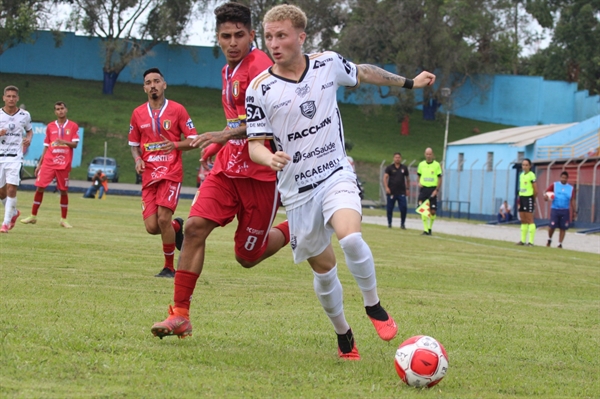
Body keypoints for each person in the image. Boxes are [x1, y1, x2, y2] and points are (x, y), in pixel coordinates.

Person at [245, 4, 435, 359]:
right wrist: (269, 158)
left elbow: (363, 72)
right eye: (269, 36)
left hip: (335, 174)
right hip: (297, 192)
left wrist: (410, 82)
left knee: (351, 237)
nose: (274, 43)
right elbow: (255, 144)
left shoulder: (327, 63)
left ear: (301, 37)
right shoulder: (260, 89)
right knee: (325, 270)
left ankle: (373, 304)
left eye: (282, 35)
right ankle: (343, 333)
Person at [150, 3, 290, 339]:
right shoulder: (227, 70)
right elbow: (236, 120)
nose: (232, 43)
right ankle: (180, 314)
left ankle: (298, 226)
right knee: (195, 227)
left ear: (252, 35)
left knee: (247, 256)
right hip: (228, 169)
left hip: (262, 175)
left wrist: (223, 135)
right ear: (217, 37)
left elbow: (266, 122)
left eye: (239, 36)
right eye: (225, 36)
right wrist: (217, 143)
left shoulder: (262, 69)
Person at [129, 67, 198, 278]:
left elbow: (193, 140)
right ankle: (176, 226)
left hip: (171, 172)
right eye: (148, 82)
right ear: (144, 88)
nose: (153, 86)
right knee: (152, 226)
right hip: (149, 176)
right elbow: (133, 144)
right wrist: (138, 158)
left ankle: (169, 267)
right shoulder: (138, 113)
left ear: (164, 85)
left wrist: (176, 145)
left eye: (156, 81)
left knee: (162, 219)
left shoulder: (177, 110)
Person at [20, 102, 79, 227]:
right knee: (40, 187)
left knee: (63, 191)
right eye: (57, 109)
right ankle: (33, 216)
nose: (60, 111)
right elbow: (46, 147)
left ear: (66, 110)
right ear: (55, 112)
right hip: (49, 163)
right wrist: (39, 164)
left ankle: (64, 219)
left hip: (63, 163)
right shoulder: (50, 126)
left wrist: (62, 141)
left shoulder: (73, 126)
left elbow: (75, 144)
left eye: (62, 108)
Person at [0, 85, 33, 233]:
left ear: (17, 98)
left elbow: (29, 130)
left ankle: (5, 223)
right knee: (1, 192)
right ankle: (13, 212)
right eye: (9, 96)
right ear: (4, 98)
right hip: (0, 156)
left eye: (14, 96)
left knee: (11, 188)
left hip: (15, 157)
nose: (11, 99)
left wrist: (28, 139)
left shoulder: (24, 115)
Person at [545, 171, 575, 249]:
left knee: (563, 227)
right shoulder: (554, 185)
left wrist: (574, 210)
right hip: (555, 209)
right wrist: (546, 197)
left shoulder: (570, 188)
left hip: (565, 210)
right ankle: (549, 239)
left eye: (565, 178)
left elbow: (572, 200)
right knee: (552, 226)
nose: (563, 179)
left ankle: (559, 243)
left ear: (567, 179)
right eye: (562, 177)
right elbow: (546, 193)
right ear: (560, 177)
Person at [417, 148, 442, 235]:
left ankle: (430, 228)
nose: (428, 156)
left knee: (432, 211)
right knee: (423, 209)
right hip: (424, 189)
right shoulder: (421, 164)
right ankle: (426, 230)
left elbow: (440, 178)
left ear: (432, 154)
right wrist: (419, 182)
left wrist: (437, 190)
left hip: (432, 189)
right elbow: (419, 175)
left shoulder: (436, 165)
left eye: (430, 154)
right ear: (425, 154)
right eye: (427, 154)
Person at [383, 152, 409, 229]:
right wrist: (386, 187)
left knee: (403, 208)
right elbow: (385, 178)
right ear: (393, 158)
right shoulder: (390, 168)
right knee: (390, 208)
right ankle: (389, 223)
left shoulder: (404, 168)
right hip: (392, 192)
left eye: (399, 157)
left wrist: (407, 188)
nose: (397, 159)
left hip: (401, 192)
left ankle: (402, 224)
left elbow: (408, 179)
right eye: (396, 157)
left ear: (401, 158)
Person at [516, 158, 537, 246]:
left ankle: (531, 242)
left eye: (526, 165)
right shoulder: (521, 175)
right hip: (522, 198)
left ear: (530, 166)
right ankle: (522, 240)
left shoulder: (531, 175)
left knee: (529, 219)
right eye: (523, 165)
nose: (524, 167)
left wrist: (533, 200)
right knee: (523, 219)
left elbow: (535, 189)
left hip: (529, 198)